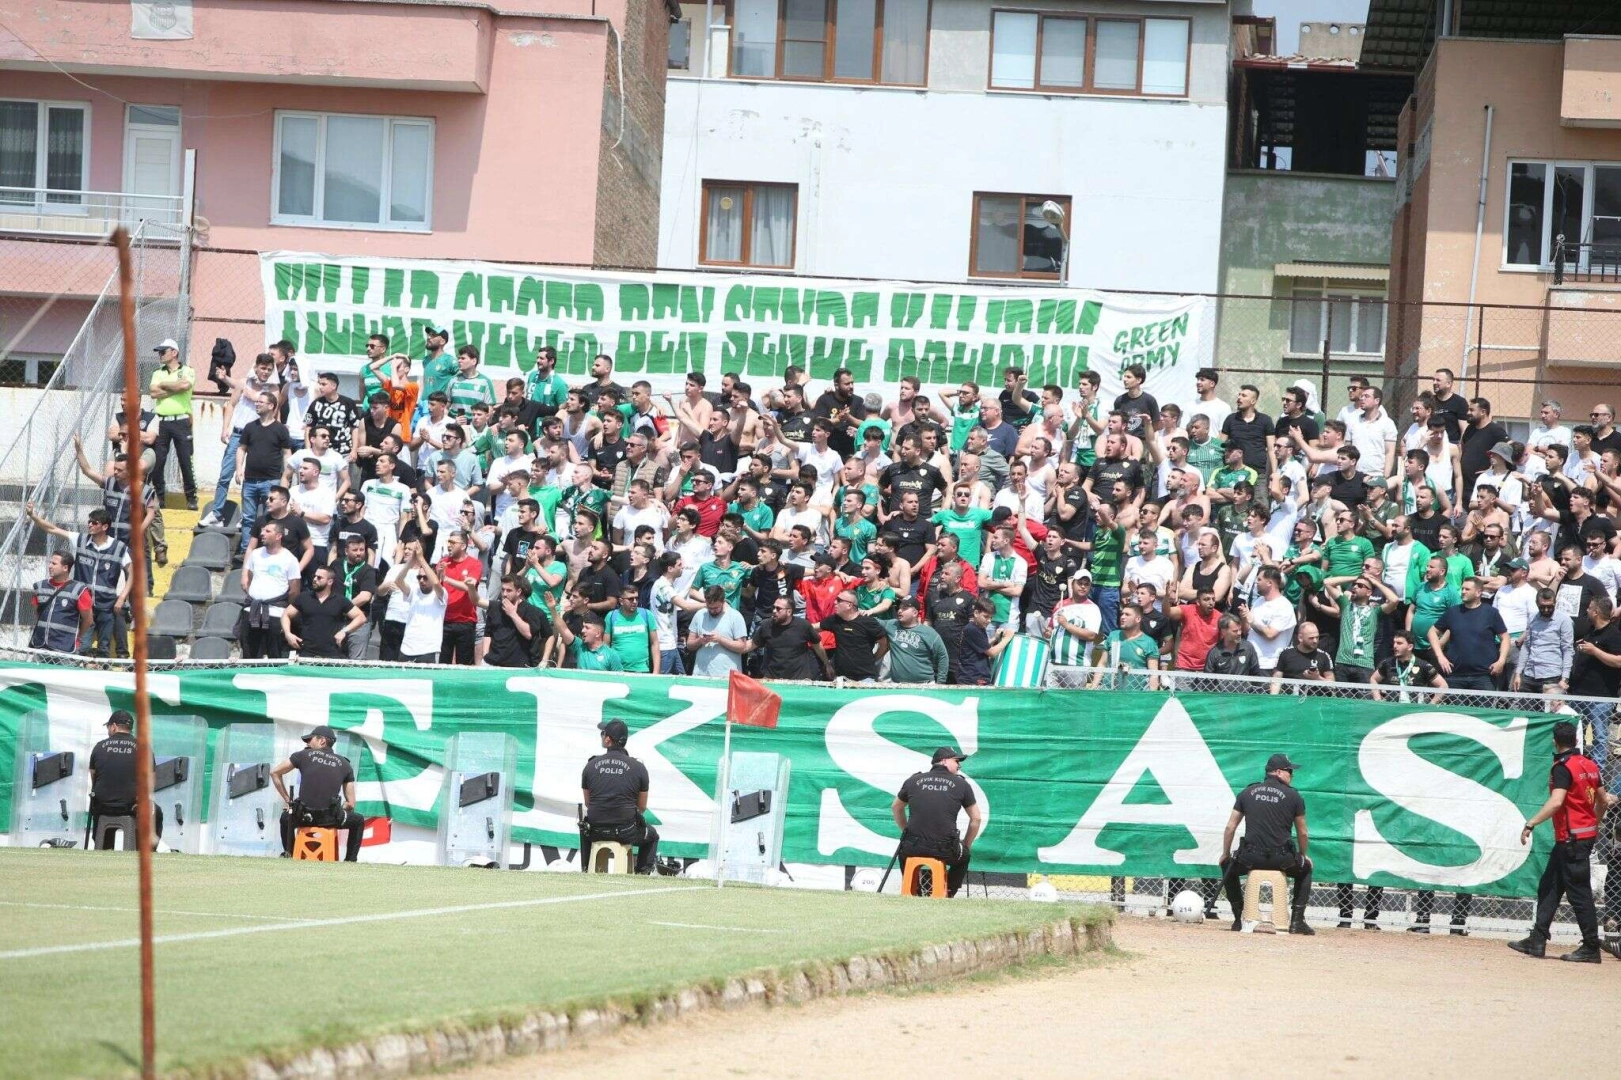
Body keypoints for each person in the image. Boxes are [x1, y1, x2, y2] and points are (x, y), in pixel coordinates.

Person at [1507, 720, 1612, 963]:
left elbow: (1556, 802)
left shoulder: (1563, 767)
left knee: (1580, 894)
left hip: (1571, 839)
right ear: (1575, 741)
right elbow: (1604, 801)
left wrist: (1530, 823)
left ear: (1555, 741)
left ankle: (1590, 947)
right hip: (1579, 838)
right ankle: (1538, 939)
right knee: (1550, 886)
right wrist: (1592, 824)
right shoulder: (1590, 764)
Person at [1218, 753, 1315, 935]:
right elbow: (1303, 832)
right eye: (1289, 771)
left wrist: (1225, 853)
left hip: (1250, 857)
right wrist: (1303, 855)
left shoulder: (1247, 792)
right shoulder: (1294, 796)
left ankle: (1239, 918)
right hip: (1282, 859)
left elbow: (1230, 827)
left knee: (1226, 865)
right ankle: (1296, 921)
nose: (1291, 775)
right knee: (1306, 868)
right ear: (1278, 772)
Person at [891, 747, 982, 898]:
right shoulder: (962, 785)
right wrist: (966, 844)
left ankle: (914, 892)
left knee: (903, 852)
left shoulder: (913, 780)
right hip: (945, 850)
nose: (960, 765)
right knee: (964, 856)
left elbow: (896, 807)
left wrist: (906, 831)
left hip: (913, 847)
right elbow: (976, 818)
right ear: (944, 761)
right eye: (956, 761)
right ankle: (947, 894)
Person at [271, 725, 364, 862]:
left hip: (303, 816)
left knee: (286, 818)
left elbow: (275, 772)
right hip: (330, 819)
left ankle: (290, 853)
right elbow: (351, 803)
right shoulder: (345, 764)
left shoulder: (303, 755)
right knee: (358, 821)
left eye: (310, 739)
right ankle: (350, 861)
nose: (308, 743)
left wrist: (287, 799)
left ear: (322, 741)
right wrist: (339, 808)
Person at [580, 718, 659, 874]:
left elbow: (589, 803)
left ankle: (585, 870)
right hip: (626, 832)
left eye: (603, 733)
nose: (602, 736)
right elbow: (641, 807)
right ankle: (642, 873)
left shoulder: (590, 765)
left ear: (608, 739)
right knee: (653, 836)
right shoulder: (638, 767)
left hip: (596, 831)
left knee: (585, 827)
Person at [88, 710, 163, 846]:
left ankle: (103, 845)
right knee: (156, 811)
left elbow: (94, 778)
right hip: (132, 806)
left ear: (114, 726)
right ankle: (144, 850)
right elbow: (150, 782)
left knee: (96, 805)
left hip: (103, 806)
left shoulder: (99, 747)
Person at [1428, 577, 1511, 694]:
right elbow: (1432, 632)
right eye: (1462, 588)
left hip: (1484, 676)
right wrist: (1440, 657)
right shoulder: (1453, 612)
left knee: (1483, 712)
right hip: (1456, 675)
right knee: (1456, 712)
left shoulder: (1491, 613)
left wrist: (1501, 661)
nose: (1463, 591)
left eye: (1467, 589)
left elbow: (1505, 638)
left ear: (1478, 592)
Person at [239, 521, 301, 659]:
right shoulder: (255, 554)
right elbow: (249, 579)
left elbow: (294, 591)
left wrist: (280, 606)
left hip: (276, 612)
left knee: (274, 654)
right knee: (249, 652)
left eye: (267, 531)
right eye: (262, 531)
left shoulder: (290, 559)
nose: (262, 534)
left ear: (278, 536)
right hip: (252, 610)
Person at [148, 338, 197, 510]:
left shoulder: (187, 370)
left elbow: (184, 385)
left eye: (163, 351)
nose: (160, 355)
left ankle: (191, 498)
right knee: (158, 461)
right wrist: (173, 387)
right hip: (162, 422)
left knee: (185, 460)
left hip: (181, 421)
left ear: (174, 352)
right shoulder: (157, 372)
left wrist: (164, 385)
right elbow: (153, 392)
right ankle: (160, 498)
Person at [282, 565, 367, 659]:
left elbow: (361, 617)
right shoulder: (304, 597)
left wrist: (344, 631)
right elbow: (286, 614)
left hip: (332, 654)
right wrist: (288, 634)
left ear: (330, 581)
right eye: (314, 576)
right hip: (306, 652)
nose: (314, 579)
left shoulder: (339, 600)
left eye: (319, 578)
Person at [817, 588, 889, 681]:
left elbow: (884, 644)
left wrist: (873, 659)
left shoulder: (868, 622)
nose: (835, 603)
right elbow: (814, 628)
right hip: (841, 677)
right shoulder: (835, 620)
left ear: (849, 605)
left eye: (839, 600)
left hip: (865, 678)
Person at [481, 574, 548, 668]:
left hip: (519, 666)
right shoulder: (495, 607)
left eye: (508, 590)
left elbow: (530, 634)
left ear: (519, 592)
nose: (504, 594)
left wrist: (512, 614)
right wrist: (485, 655)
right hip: (492, 663)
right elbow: (488, 634)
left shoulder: (533, 611)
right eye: (503, 589)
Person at [878, 597, 950, 684]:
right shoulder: (892, 625)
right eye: (899, 608)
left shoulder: (929, 633)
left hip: (924, 684)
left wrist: (940, 683)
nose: (899, 611)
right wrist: (863, 612)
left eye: (904, 608)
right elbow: (872, 621)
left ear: (915, 613)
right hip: (898, 685)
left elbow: (942, 656)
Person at [686, 586, 750, 676]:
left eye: (716, 608)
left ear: (723, 602)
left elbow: (742, 646)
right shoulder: (700, 615)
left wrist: (720, 639)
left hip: (727, 676)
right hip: (701, 674)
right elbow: (689, 645)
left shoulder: (735, 616)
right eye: (709, 607)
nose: (712, 611)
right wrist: (700, 641)